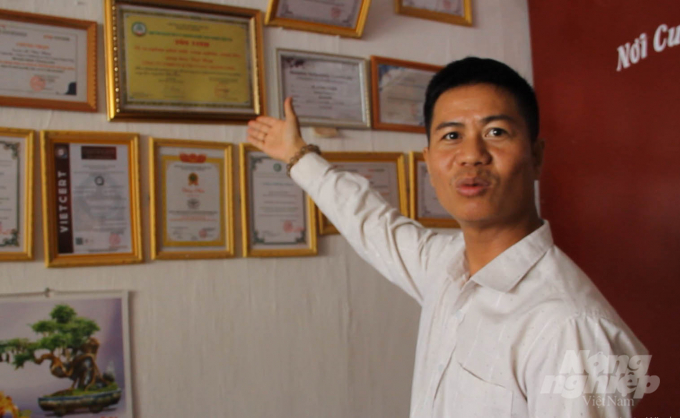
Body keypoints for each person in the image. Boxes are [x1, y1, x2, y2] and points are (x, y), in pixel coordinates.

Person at [246, 57, 651, 417]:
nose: (471, 154)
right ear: (429, 161)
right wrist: (297, 155)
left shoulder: (567, 327)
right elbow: (371, 223)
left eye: (495, 132)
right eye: (452, 136)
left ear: (537, 156)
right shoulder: (447, 267)